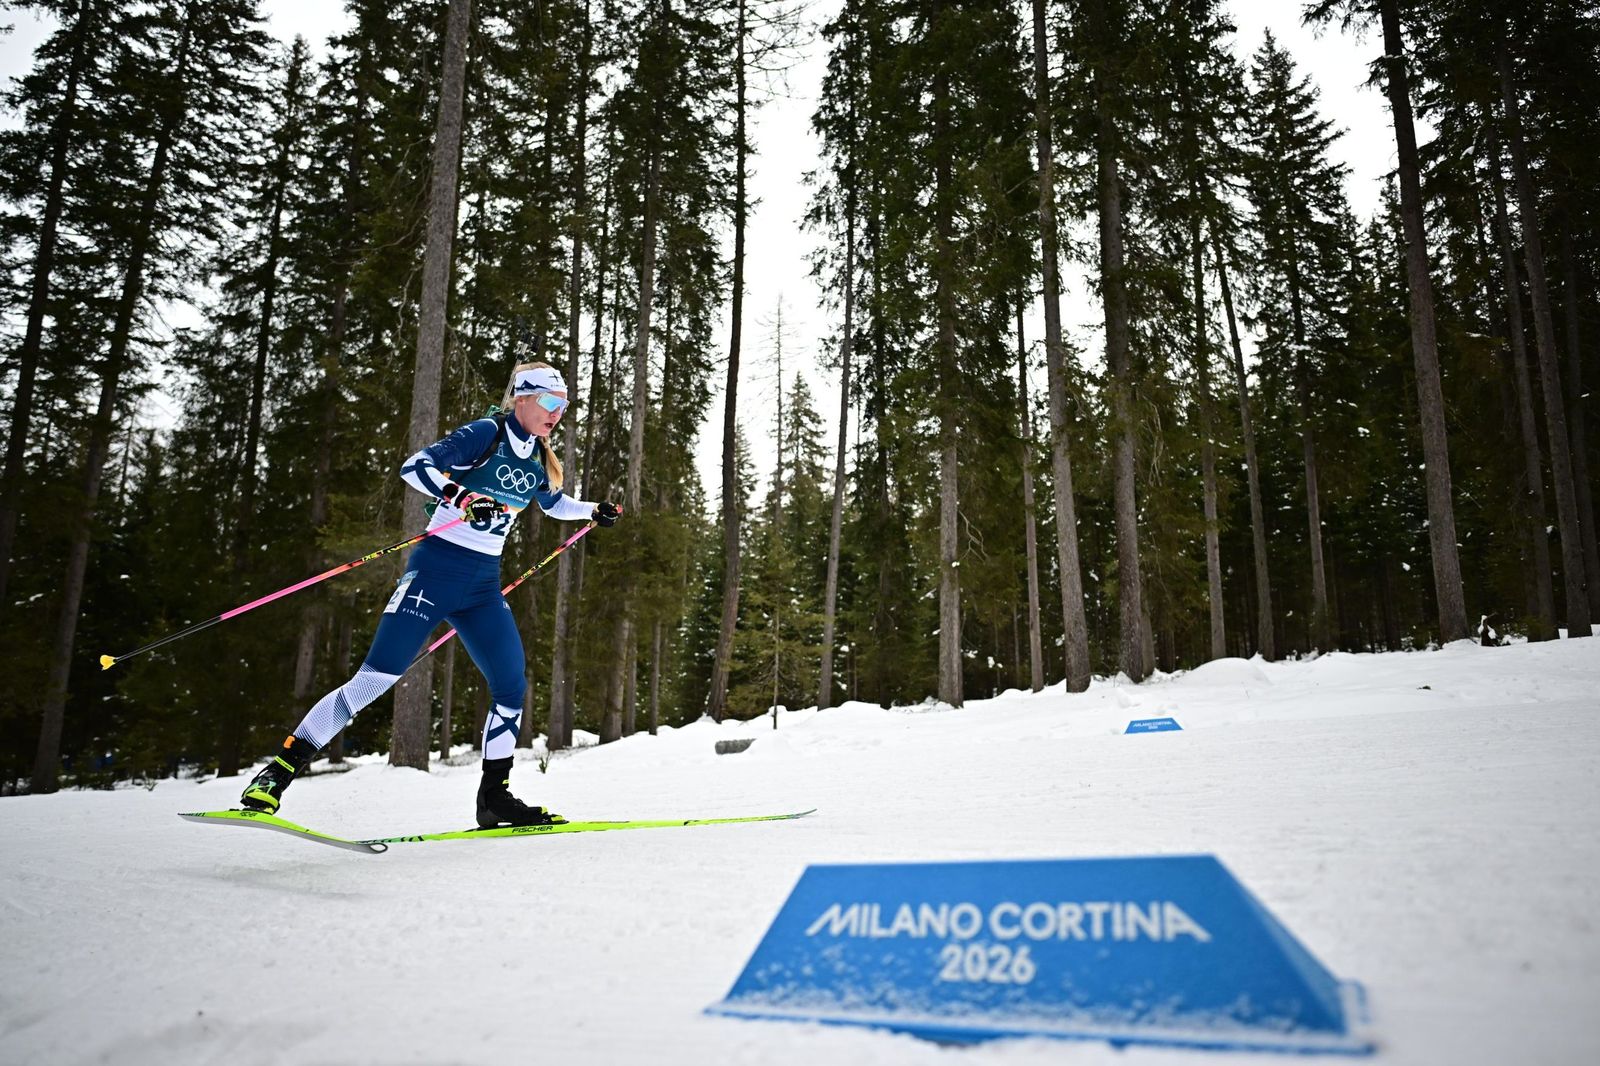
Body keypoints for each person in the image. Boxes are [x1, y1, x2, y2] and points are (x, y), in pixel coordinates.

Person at [240, 361, 620, 827]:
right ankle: (275, 776)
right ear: (521, 397)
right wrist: (462, 497)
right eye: (549, 403)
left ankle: (494, 798)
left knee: (511, 687)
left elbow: (551, 501)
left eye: (563, 406)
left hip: (481, 586)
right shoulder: (486, 433)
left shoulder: (538, 456)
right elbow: (414, 466)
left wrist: (591, 511)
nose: (557, 413)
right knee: (373, 679)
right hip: (435, 571)